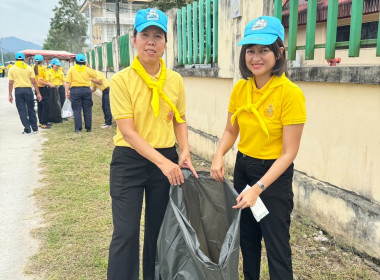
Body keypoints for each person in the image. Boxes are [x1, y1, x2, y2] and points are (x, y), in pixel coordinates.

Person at [210, 16, 307, 280]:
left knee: (277, 247)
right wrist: (219, 154)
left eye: (264, 49)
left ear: (279, 52)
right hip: (244, 169)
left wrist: (258, 189)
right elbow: (232, 130)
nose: (256, 57)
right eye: (250, 50)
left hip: (272, 178)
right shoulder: (240, 88)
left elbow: (289, 152)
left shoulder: (290, 94)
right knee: (248, 241)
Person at [107, 8, 198, 280]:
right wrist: (164, 163)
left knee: (160, 230)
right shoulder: (121, 80)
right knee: (126, 231)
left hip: (166, 157)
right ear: (133, 39)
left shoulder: (175, 80)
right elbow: (129, 131)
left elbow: (180, 119)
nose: (151, 41)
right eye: (144, 34)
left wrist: (184, 151)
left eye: (158, 36)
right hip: (129, 160)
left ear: (166, 43)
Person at [8, 52, 42, 134]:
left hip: (18, 91)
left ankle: (27, 129)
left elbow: (11, 83)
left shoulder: (12, 69)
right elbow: (34, 82)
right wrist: (38, 93)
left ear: (16, 59)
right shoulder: (29, 68)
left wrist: (10, 95)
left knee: (22, 110)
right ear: (24, 59)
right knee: (31, 109)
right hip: (28, 90)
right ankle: (35, 129)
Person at [65, 53, 97, 132]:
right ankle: (88, 128)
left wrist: (67, 91)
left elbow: (68, 82)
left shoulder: (71, 69)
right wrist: (88, 66)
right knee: (87, 109)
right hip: (86, 90)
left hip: (75, 91)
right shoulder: (87, 69)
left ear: (76, 61)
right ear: (85, 61)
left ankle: (78, 129)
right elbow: (94, 75)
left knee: (77, 110)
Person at [34, 54, 55, 129]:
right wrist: (48, 84)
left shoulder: (36, 67)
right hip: (41, 89)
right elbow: (40, 81)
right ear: (42, 61)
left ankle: (41, 122)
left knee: (40, 106)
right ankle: (43, 122)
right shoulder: (39, 69)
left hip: (38, 89)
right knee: (46, 106)